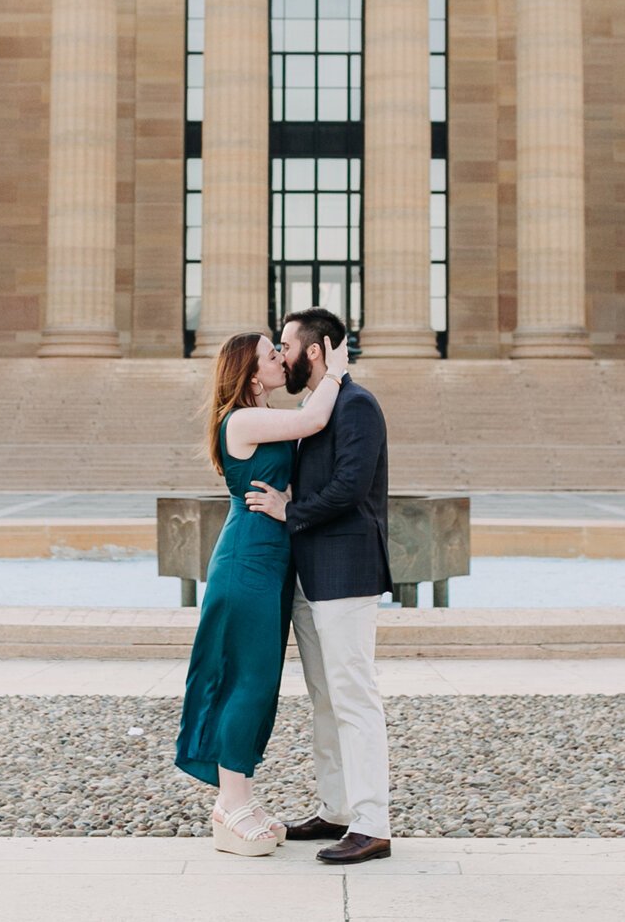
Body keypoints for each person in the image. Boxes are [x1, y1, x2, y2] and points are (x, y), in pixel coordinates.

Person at [174, 331, 345, 855]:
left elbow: (287, 466)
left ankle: (242, 797)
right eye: (273, 354)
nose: (281, 358)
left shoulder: (262, 415)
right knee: (243, 682)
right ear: (250, 373)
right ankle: (230, 804)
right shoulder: (242, 419)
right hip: (246, 560)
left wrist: (289, 498)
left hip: (271, 562)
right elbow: (314, 419)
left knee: (261, 682)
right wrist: (335, 369)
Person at [244, 306, 393, 865]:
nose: (280, 354)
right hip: (310, 577)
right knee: (325, 699)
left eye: (286, 344)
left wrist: (290, 511)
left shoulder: (357, 404)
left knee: (353, 695)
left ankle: (372, 822)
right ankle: (336, 808)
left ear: (316, 349)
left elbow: (351, 487)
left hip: (345, 573)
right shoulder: (316, 404)